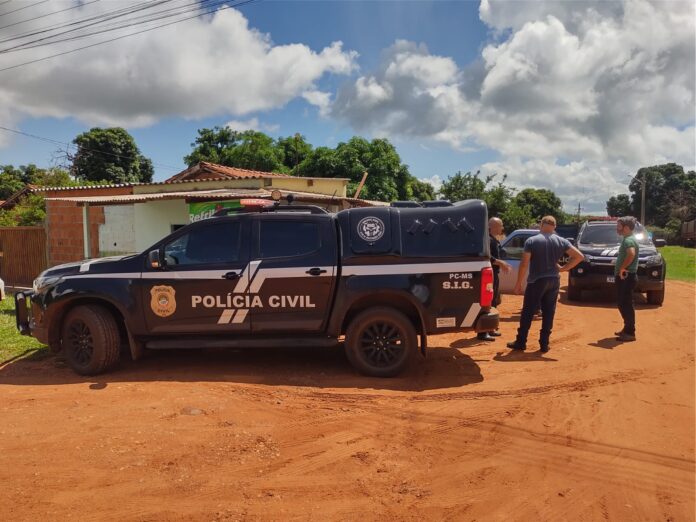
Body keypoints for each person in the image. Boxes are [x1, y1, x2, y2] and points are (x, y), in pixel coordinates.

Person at [506, 216, 584, 353]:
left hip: (536, 280)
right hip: (554, 280)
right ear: (555, 226)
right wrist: (564, 268)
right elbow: (579, 256)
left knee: (528, 312)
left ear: (541, 225)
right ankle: (544, 344)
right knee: (549, 312)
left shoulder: (532, 241)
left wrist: (518, 283)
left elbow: (524, 264)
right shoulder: (561, 241)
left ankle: (521, 341)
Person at [478, 217, 512, 342]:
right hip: (488, 276)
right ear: (492, 227)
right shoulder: (488, 240)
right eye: (500, 225)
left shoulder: (493, 240)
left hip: (493, 275)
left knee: (493, 301)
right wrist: (500, 263)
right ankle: (482, 332)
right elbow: (487, 256)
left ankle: (490, 328)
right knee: (488, 302)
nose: (502, 228)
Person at [614, 216, 639, 342]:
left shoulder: (629, 240)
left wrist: (622, 268)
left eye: (619, 226)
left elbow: (631, 254)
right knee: (622, 303)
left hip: (627, 276)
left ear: (627, 228)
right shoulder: (627, 239)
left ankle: (630, 332)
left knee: (626, 304)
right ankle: (627, 329)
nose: (617, 228)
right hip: (626, 276)